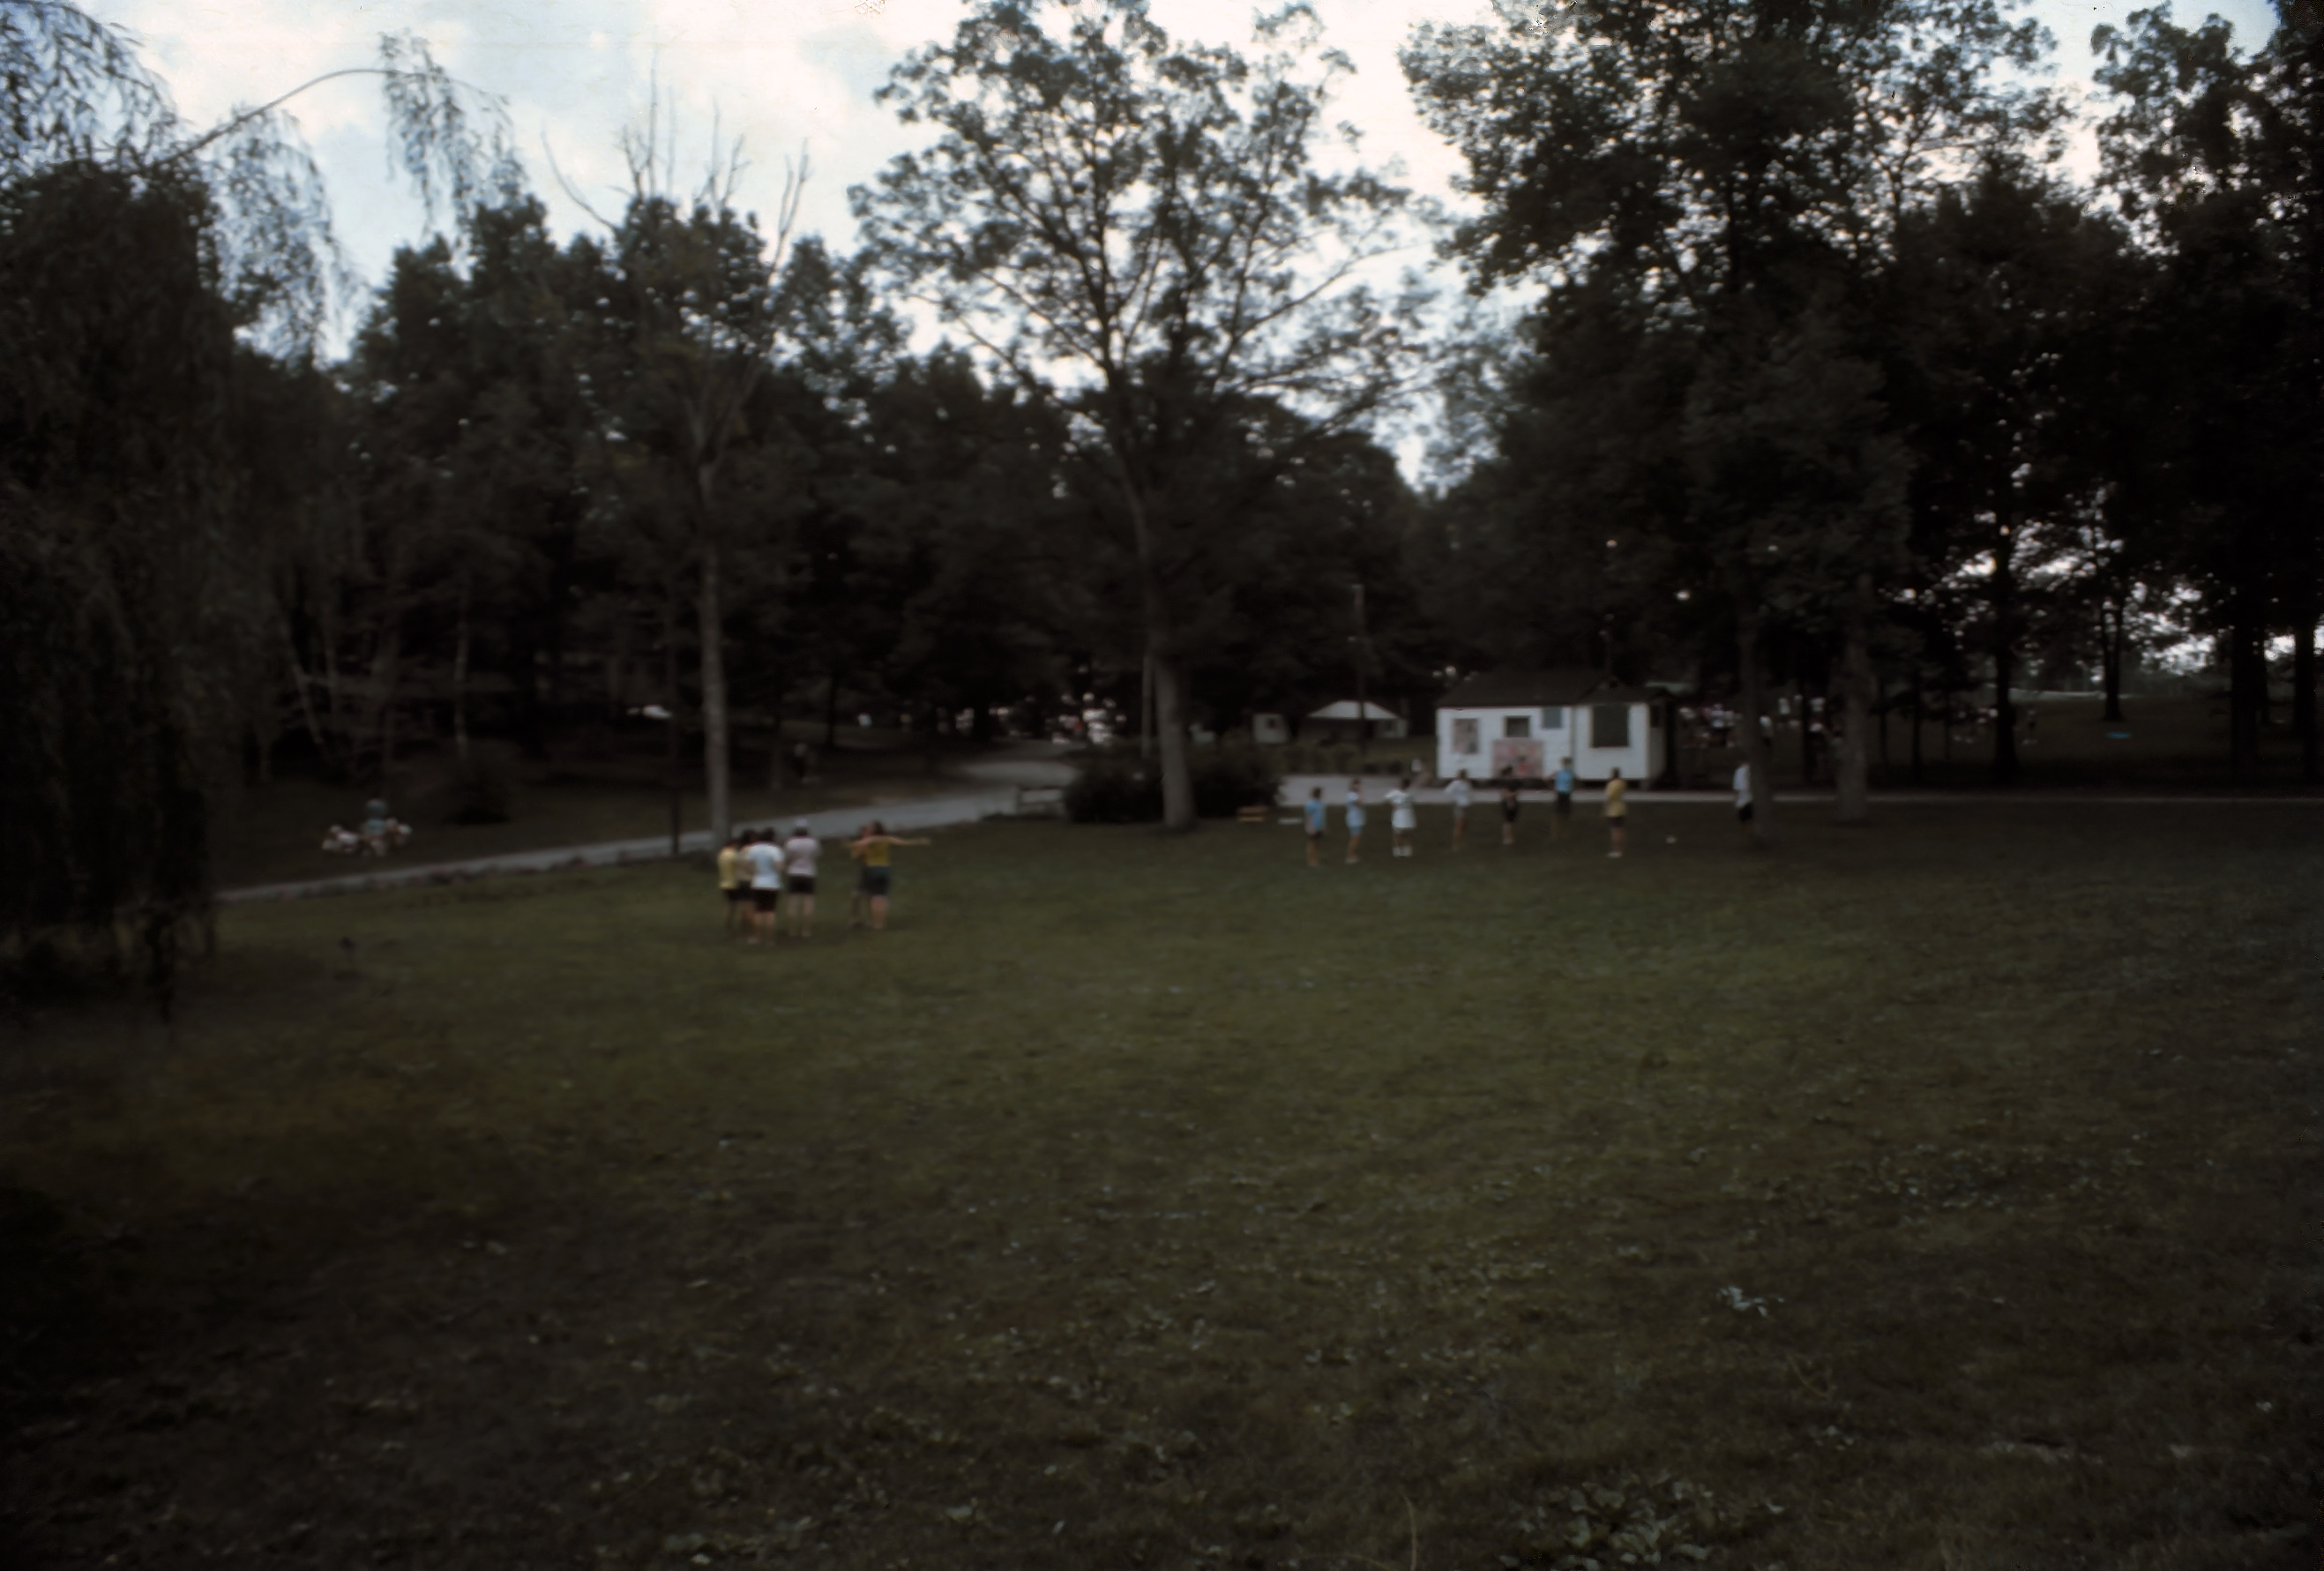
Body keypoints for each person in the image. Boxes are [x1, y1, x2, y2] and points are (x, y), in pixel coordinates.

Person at [849, 820, 931, 931]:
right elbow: (904, 842)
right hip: (884, 869)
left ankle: (875, 923)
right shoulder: (887, 839)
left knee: (874, 897)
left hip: (872, 869)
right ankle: (880, 923)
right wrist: (920, 841)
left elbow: (857, 846)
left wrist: (848, 844)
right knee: (882, 897)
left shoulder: (871, 840)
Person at [741, 828, 787, 944]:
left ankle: (759, 936)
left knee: (759, 912)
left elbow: (746, 865)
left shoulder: (754, 848)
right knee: (770, 912)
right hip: (772, 884)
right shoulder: (775, 850)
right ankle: (769, 939)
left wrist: (754, 872)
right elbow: (779, 867)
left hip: (757, 883)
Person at [782, 820, 821, 937]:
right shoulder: (813, 842)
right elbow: (816, 856)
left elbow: (787, 857)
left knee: (792, 903)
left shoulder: (790, 842)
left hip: (794, 873)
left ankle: (792, 930)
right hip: (809, 874)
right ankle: (806, 930)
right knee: (808, 903)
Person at [717, 832, 748, 939]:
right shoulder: (733, 855)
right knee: (739, 907)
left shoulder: (722, 854)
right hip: (735, 883)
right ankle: (741, 929)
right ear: (734, 844)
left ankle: (728, 928)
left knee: (729, 907)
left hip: (725, 883)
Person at [1386, 777, 1417, 857]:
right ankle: (1397, 850)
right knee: (1398, 832)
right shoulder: (1396, 792)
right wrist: (1394, 805)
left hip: (1407, 813)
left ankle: (1406, 849)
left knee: (1407, 831)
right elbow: (1387, 798)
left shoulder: (1410, 793)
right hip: (1399, 814)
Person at [1604, 765, 1629, 858]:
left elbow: (1609, 797)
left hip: (1614, 810)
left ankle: (1617, 850)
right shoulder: (1622, 783)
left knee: (1615, 831)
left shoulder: (1612, 784)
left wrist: (1605, 807)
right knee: (1621, 829)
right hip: (1622, 808)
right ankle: (1622, 849)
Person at [1447, 768, 1473, 851]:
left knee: (1465, 826)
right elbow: (1448, 791)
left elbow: (1469, 793)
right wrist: (1455, 799)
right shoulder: (1456, 783)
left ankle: (1463, 843)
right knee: (1459, 825)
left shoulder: (1467, 783)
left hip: (1466, 805)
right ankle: (1456, 844)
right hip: (1460, 806)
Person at [1304, 786, 1327, 867]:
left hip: (1319, 827)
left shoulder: (1320, 804)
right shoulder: (1310, 804)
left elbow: (1322, 816)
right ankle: (1311, 860)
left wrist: (1323, 826)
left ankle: (1315, 858)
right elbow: (1308, 816)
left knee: (1317, 843)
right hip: (1312, 827)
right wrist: (1311, 827)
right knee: (1312, 844)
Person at [1343, 779, 1366, 864]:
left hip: (1357, 819)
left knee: (1356, 838)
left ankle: (1353, 855)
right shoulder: (1351, 795)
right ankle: (1350, 856)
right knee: (1354, 839)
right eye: (1356, 785)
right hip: (1354, 820)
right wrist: (1361, 793)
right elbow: (1359, 803)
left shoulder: (1354, 795)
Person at [1551, 757, 1575, 841]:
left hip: (1563, 793)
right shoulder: (1566, 773)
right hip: (1563, 794)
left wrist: (1554, 787)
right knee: (1560, 814)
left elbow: (1547, 779)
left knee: (1563, 814)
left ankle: (1560, 833)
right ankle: (1558, 833)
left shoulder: (1565, 773)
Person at [1499, 774, 1521, 848]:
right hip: (1509, 804)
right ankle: (1507, 838)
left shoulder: (1510, 785)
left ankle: (1510, 837)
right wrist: (1513, 795)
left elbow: (1510, 795)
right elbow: (1508, 795)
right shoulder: (1506, 786)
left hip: (1512, 804)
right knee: (1508, 823)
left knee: (1511, 823)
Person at [1733, 760, 1753, 836]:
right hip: (1750, 799)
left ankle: (1748, 834)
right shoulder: (1753, 770)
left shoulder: (1739, 771)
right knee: (1750, 820)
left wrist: (1735, 801)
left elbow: (1737, 789)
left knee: (1744, 820)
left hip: (1743, 801)